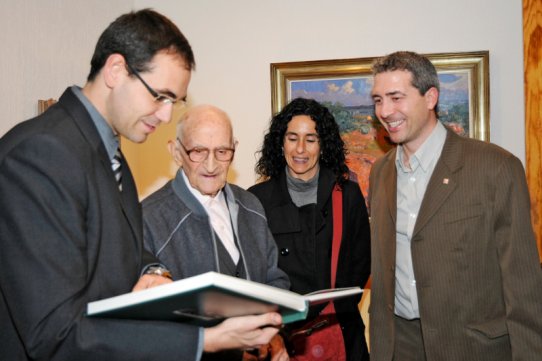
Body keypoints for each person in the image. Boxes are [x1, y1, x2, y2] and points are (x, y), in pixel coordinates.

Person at [0, 9, 283, 361]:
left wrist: (154, 271)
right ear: (116, 70)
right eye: (159, 96)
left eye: (173, 102)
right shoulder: (40, 153)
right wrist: (201, 340)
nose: (166, 116)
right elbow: (54, 334)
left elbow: (123, 253)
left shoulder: (109, 155)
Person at [368, 50, 542, 361]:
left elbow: (523, 282)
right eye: (378, 100)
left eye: (396, 97)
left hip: (473, 348)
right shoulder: (381, 172)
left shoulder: (495, 166)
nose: (385, 110)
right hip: (399, 347)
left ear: (430, 97)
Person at [142, 104, 290, 361]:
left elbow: (274, 280)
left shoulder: (251, 206)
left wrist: (271, 334)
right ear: (176, 152)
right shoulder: (148, 218)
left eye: (222, 152)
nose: (211, 165)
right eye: (198, 151)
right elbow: (149, 321)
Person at [248, 97, 371, 361]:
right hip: (278, 341)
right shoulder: (255, 200)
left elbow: (360, 266)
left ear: (323, 145)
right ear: (281, 144)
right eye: (292, 138)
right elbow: (253, 274)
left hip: (340, 337)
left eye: (311, 139)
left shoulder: (347, 195)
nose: (300, 149)